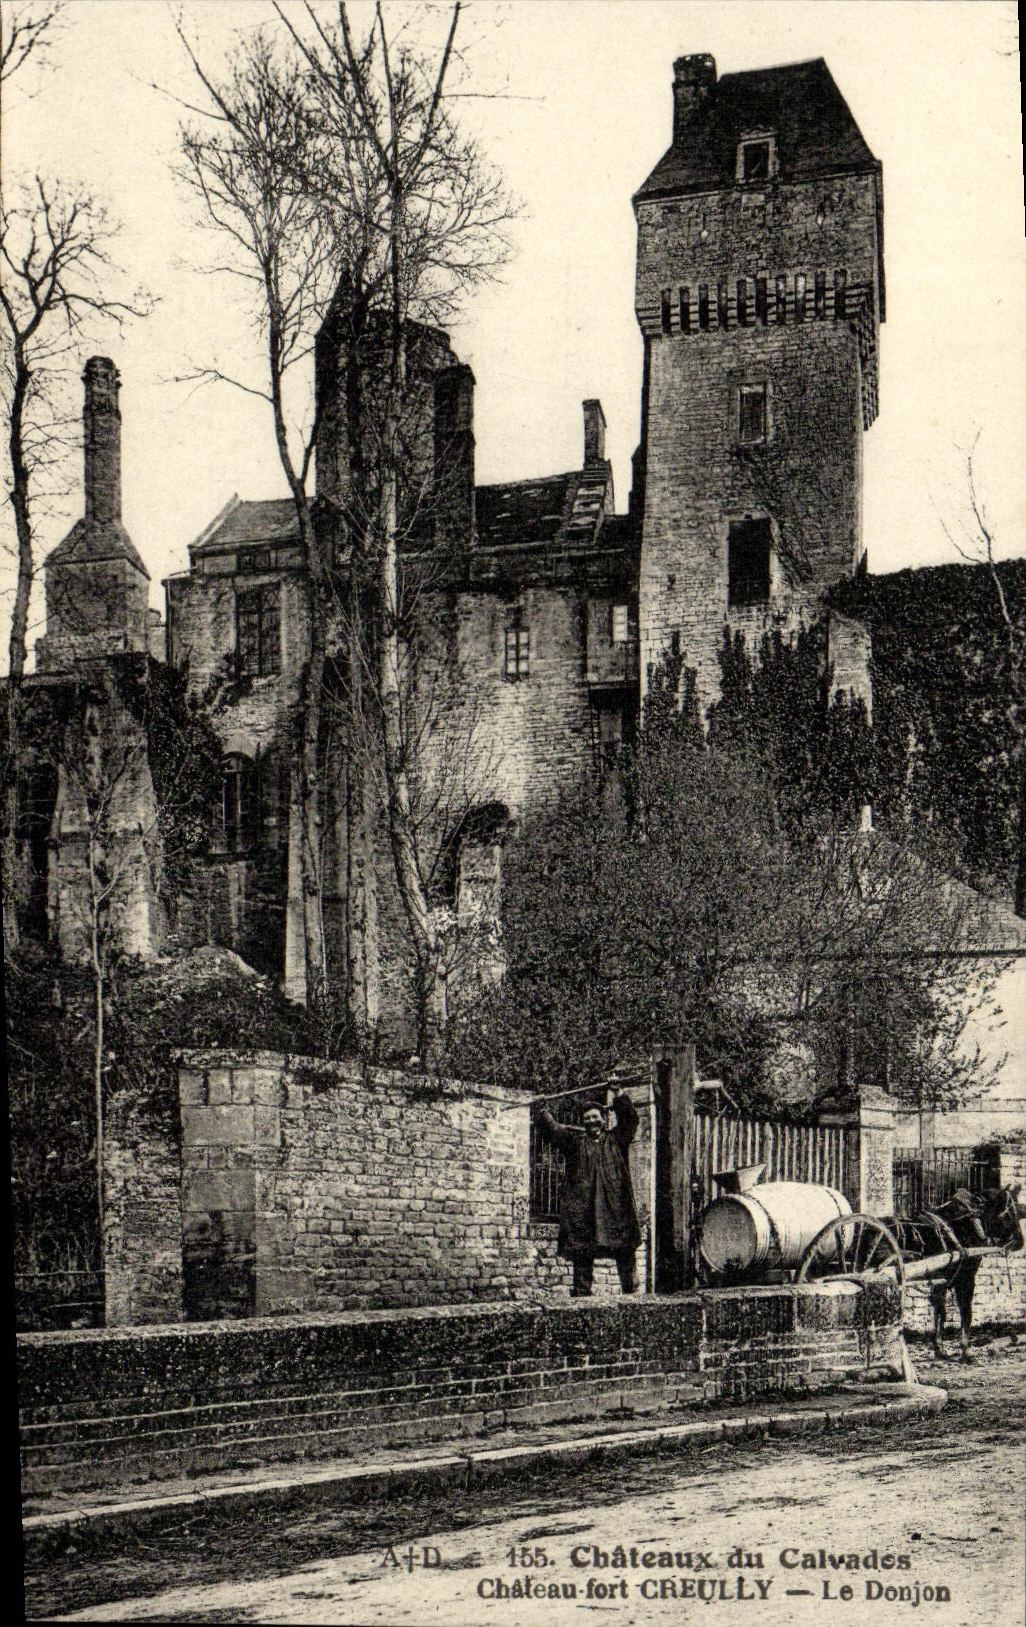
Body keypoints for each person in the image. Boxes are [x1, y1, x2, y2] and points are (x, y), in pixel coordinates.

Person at [538, 1093, 642, 1296]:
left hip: (615, 1210)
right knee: (582, 1263)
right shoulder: (575, 1144)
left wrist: (618, 1094)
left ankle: (633, 1302)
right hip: (584, 1215)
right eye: (587, 1118)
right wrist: (543, 1111)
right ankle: (581, 1303)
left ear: (604, 1120)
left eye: (595, 1117)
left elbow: (630, 1120)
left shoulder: (617, 1139)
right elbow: (555, 1131)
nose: (591, 1121)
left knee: (626, 1260)